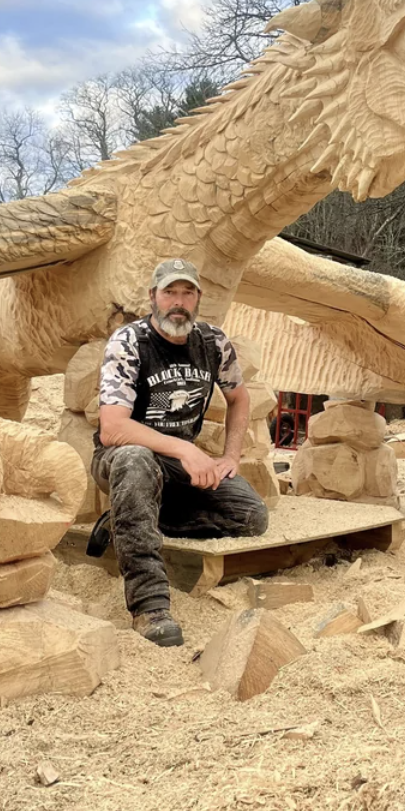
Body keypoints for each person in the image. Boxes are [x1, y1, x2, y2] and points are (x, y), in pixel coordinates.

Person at [88, 259, 269, 646]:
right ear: (152, 297)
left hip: (176, 463)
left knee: (251, 516)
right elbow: (113, 427)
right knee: (135, 461)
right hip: (122, 457)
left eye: (187, 293)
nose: (178, 302)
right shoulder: (129, 342)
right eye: (170, 292)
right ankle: (150, 606)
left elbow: (239, 398)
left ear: (198, 298)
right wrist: (186, 448)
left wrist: (231, 457)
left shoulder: (213, 342)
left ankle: (128, 516)